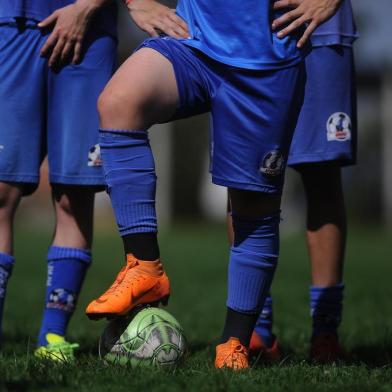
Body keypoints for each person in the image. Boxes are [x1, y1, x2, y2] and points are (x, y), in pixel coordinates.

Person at [85, 0, 344, 370]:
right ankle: (143, 267)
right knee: (119, 101)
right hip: (193, 39)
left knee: (253, 206)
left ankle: (234, 343)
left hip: (264, 59)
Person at [0, 0, 188, 361]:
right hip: (14, 22)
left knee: (74, 194)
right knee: (0, 193)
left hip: (89, 32)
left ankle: (52, 337)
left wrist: (87, 7)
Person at [225, 0, 357, 363]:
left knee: (322, 174)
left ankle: (325, 333)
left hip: (321, 30)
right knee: (242, 177)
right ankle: (255, 330)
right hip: (243, 31)